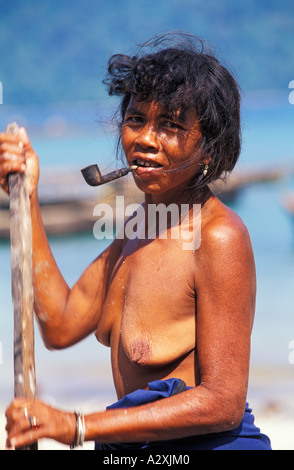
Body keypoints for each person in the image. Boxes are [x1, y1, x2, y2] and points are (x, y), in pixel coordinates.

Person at [1, 33, 271, 450]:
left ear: (209, 151)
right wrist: (29, 196)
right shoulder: (136, 230)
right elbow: (60, 323)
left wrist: (77, 426)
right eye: (136, 119)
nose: (145, 139)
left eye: (171, 126)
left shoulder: (218, 237)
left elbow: (222, 403)